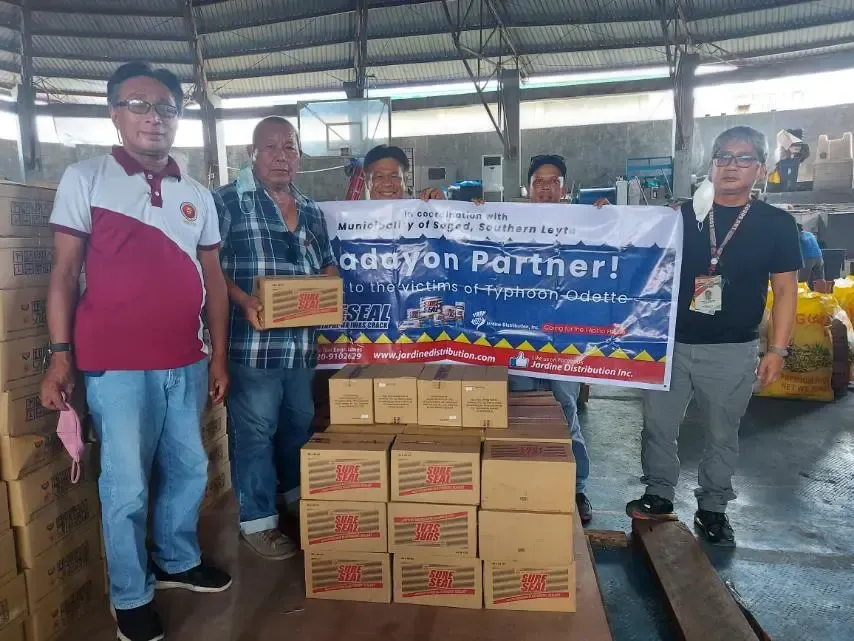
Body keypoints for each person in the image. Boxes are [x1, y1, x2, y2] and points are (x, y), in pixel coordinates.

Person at [40, 61, 231, 641]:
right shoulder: (87, 177)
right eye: (139, 105)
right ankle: (130, 594)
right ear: (115, 114)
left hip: (186, 359)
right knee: (126, 484)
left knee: (190, 466)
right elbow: (65, 270)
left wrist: (217, 355)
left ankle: (175, 560)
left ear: (179, 118)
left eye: (166, 108)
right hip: (115, 365)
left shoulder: (196, 193)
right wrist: (59, 353)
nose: (155, 118)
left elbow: (214, 280)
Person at [626, 126, 801, 545]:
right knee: (658, 426)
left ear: (760, 169)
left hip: (732, 348)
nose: (731, 166)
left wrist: (777, 349)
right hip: (667, 344)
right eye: (723, 157)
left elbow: (786, 290)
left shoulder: (776, 224)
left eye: (743, 159)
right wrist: (597, 212)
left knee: (723, 432)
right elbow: (624, 247)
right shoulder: (679, 216)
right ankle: (659, 493)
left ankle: (713, 506)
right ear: (711, 165)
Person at [214, 116, 338, 561]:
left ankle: (294, 504)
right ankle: (258, 522)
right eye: (271, 147)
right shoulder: (226, 202)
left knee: (297, 427)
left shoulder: (309, 209)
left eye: (290, 147)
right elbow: (209, 269)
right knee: (254, 434)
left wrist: (328, 285)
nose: (281, 156)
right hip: (253, 345)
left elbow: (327, 264)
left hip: (301, 346)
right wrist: (244, 300)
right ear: (253, 152)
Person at [510, 154, 605, 525]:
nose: (546, 186)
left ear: (565, 188)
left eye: (553, 180)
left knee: (565, 405)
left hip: (565, 338)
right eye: (538, 181)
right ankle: (523, 481)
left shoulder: (585, 222)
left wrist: (609, 218)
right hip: (517, 336)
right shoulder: (507, 223)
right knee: (521, 407)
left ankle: (575, 487)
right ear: (528, 188)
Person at [363, 144, 445, 200]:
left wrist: (442, 206)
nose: (387, 183)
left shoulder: (421, 213)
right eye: (379, 176)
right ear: (367, 181)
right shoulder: (353, 218)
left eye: (394, 176)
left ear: (405, 180)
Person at [797, 223, 825, 289]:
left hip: (808, 258)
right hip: (819, 257)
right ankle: (823, 296)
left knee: (802, 281)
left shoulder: (798, 235)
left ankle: (802, 296)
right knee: (820, 279)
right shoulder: (809, 234)